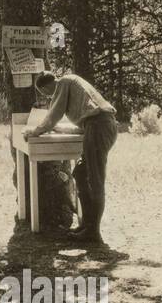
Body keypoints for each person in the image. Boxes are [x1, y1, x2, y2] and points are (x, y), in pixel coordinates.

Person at [24, 70, 118, 244]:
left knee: (95, 180)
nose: (47, 97)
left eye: (45, 93)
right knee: (81, 173)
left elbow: (53, 116)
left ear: (46, 87)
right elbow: (82, 125)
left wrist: (35, 131)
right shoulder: (73, 86)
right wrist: (58, 129)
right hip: (98, 126)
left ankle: (93, 232)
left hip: (100, 126)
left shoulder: (64, 82)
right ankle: (87, 225)